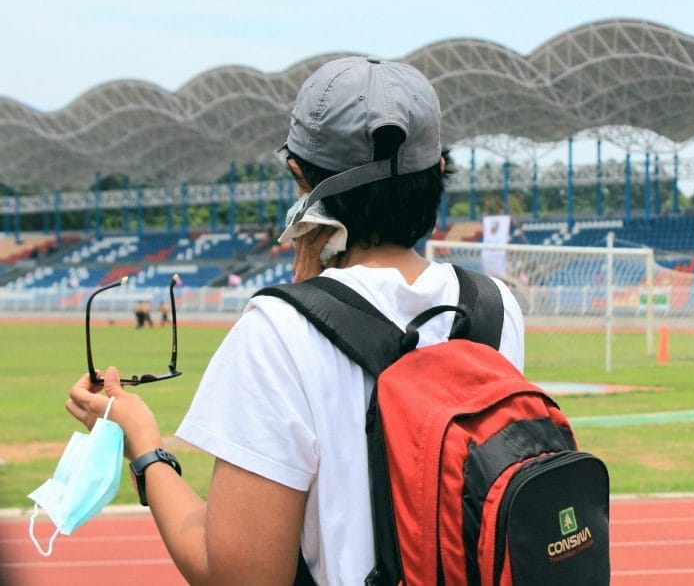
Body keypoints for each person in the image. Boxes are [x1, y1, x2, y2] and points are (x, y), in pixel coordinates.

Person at [65, 56, 526, 585]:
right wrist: (312, 295)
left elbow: (237, 575)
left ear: (302, 182)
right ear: (438, 172)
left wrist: (143, 444)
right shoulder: (495, 307)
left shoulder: (276, 334)